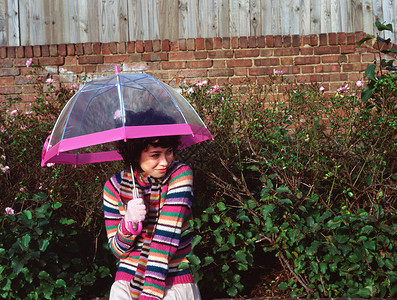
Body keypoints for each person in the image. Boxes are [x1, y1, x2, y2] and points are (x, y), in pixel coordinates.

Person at [103, 110, 202, 300]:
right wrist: (129, 223)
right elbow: (118, 250)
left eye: (169, 152)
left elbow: (166, 237)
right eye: (155, 155)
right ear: (134, 155)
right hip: (127, 282)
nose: (164, 162)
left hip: (174, 280)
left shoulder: (180, 175)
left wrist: (149, 295)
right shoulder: (113, 187)